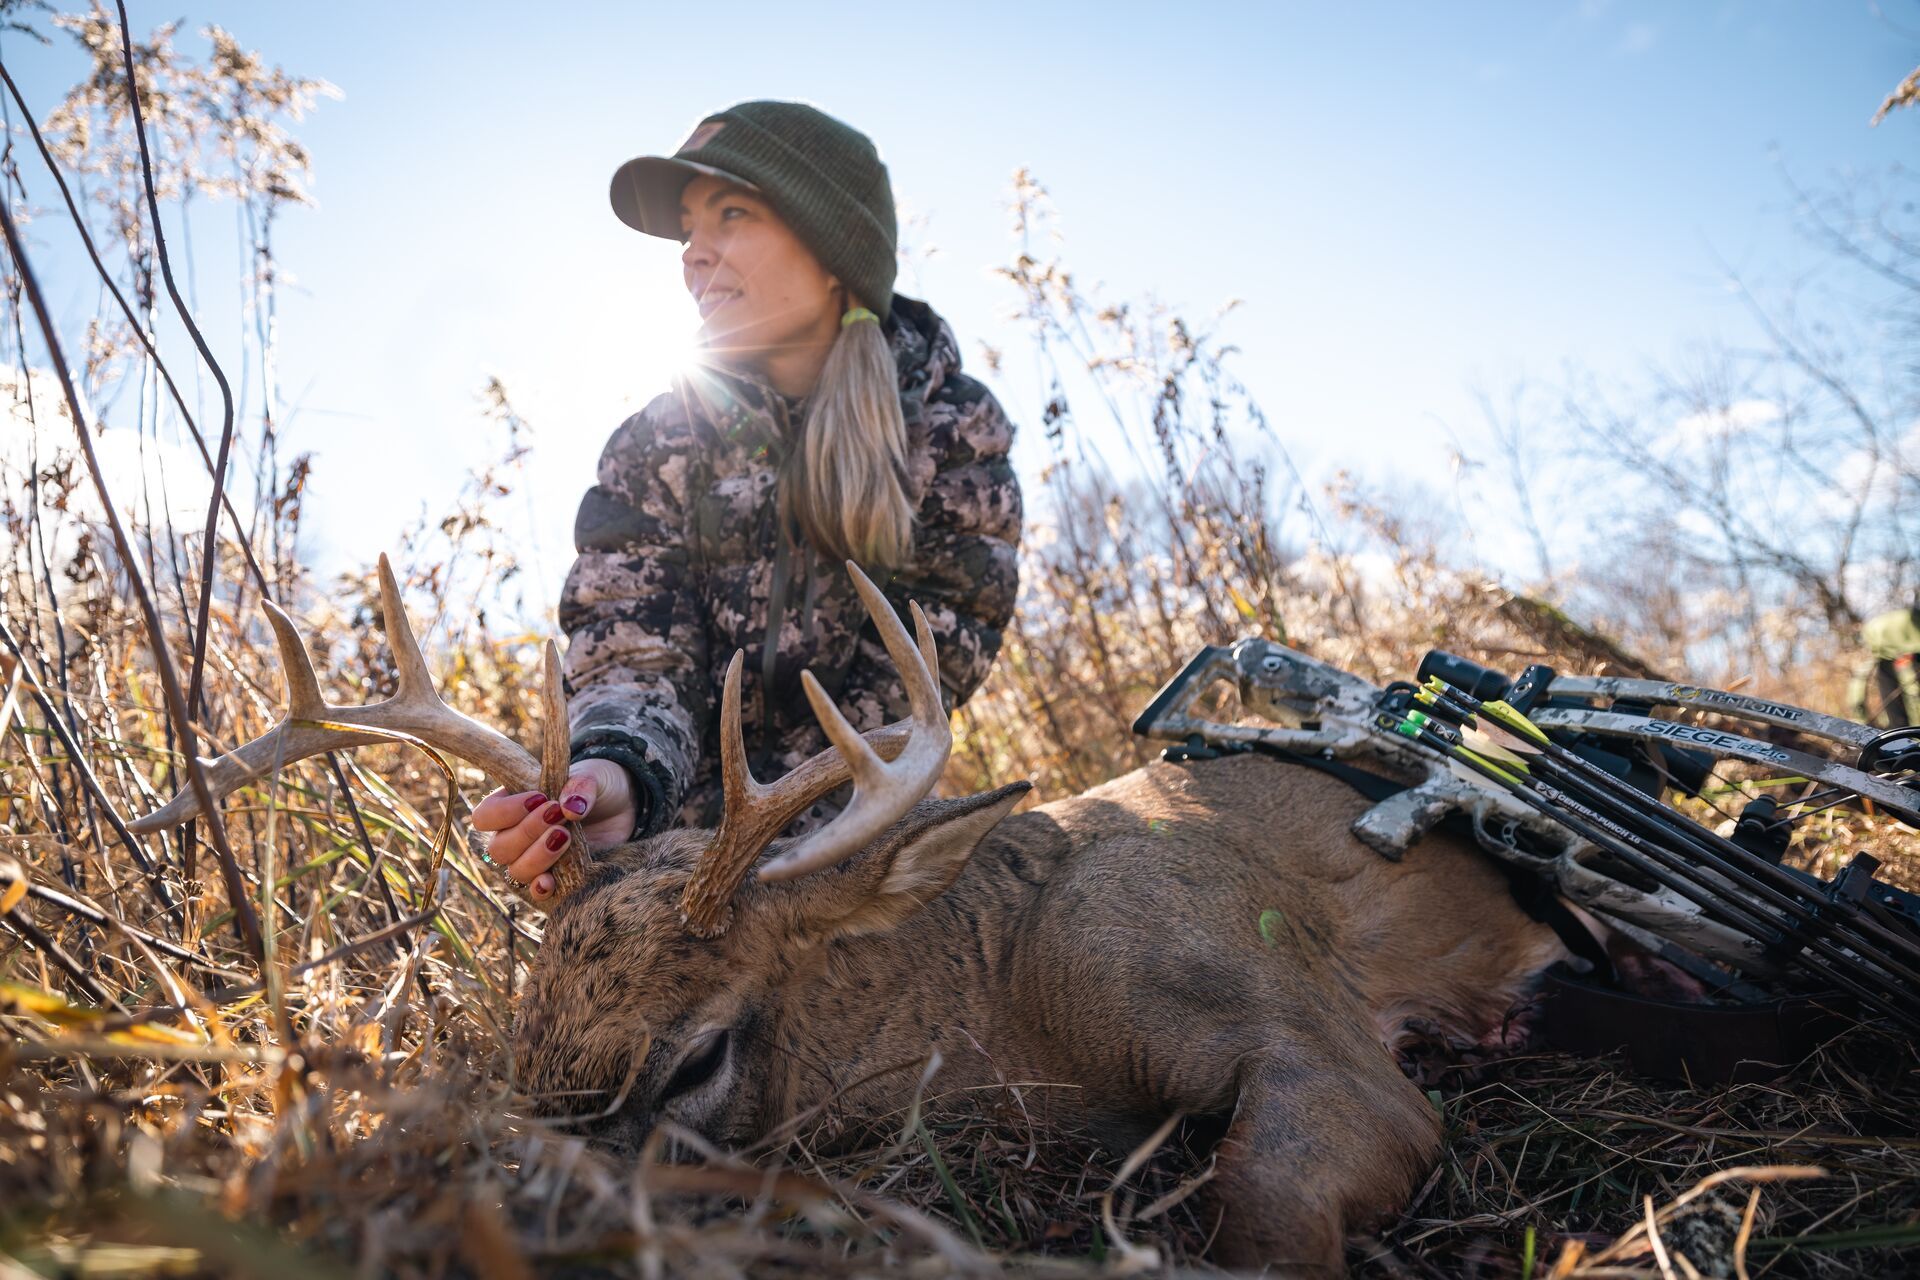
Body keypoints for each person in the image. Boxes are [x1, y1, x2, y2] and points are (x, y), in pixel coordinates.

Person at [472, 101, 1023, 899]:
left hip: (849, 859)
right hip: (669, 858)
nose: (694, 255)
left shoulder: (951, 437)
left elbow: (908, 696)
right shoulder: (654, 445)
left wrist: (772, 855)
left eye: (731, 215)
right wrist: (616, 776)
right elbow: (633, 655)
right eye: (690, 230)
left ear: (834, 250)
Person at [1847, 594, 1920, 729]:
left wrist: (1859, 717)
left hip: (1884, 637)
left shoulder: (1872, 631)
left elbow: (1859, 681)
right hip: (1894, 639)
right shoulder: (1908, 625)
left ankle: (1900, 730)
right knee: (1903, 685)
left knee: (1894, 684)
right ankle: (1903, 730)